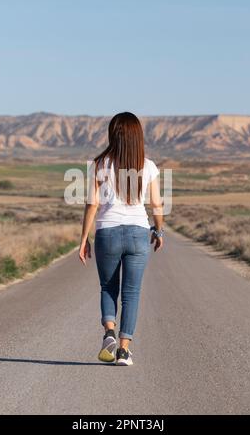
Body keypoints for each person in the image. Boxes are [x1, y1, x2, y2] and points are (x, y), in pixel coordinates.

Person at [79, 112, 163, 366]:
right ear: (138, 136)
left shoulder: (99, 164)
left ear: (113, 134)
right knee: (132, 293)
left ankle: (109, 333)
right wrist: (158, 231)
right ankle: (124, 351)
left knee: (108, 287)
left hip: (107, 232)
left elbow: (92, 205)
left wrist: (84, 239)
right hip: (138, 232)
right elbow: (156, 204)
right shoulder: (148, 166)